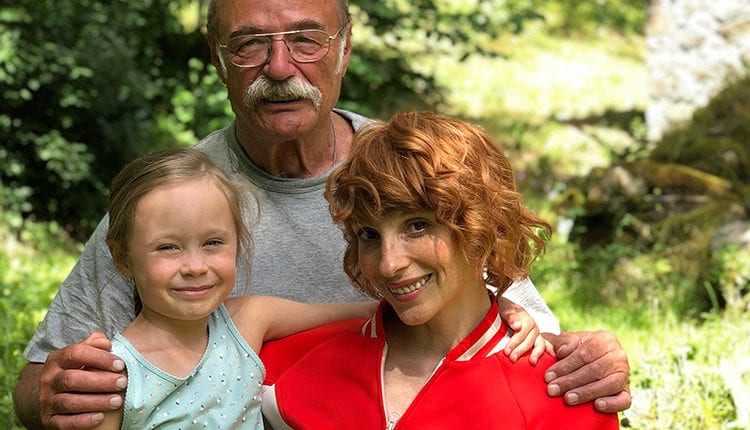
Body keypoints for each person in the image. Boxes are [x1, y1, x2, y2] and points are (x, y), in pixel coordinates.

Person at [13, 0, 630, 428]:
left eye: (306, 39)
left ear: (344, 49)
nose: (280, 68)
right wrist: (54, 393)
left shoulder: (406, 171)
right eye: (250, 44)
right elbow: (38, 383)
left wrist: (586, 355)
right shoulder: (173, 200)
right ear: (218, 58)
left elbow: (518, 335)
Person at [260, 111, 619, 429]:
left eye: (417, 225)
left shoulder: (563, 394)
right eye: (369, 234)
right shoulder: (287, 364)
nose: (389, 264)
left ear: (484, 227)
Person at [95, 147, 378, 428]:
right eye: (167, 247)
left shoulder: (246, 320)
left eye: (212, 242)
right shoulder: (114, 374)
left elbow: (367, 313)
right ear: (123, 258)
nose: (195, 267)